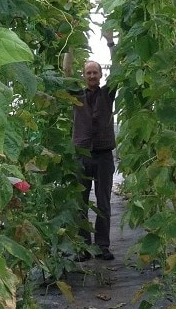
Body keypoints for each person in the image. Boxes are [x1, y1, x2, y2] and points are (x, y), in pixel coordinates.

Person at [63, 31, 117, 261]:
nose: (92, 75)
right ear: (83, 76)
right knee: (80, 203)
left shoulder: (108, 93)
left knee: (104, 202)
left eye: (95, 72)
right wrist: (71, 45)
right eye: (88, 73)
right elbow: (66, 73)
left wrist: (110, 42)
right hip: (82, 154)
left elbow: (119, 70)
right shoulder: (77, 94)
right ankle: (84, 247)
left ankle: (102, 246)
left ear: (101, 75)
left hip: (104, 155)